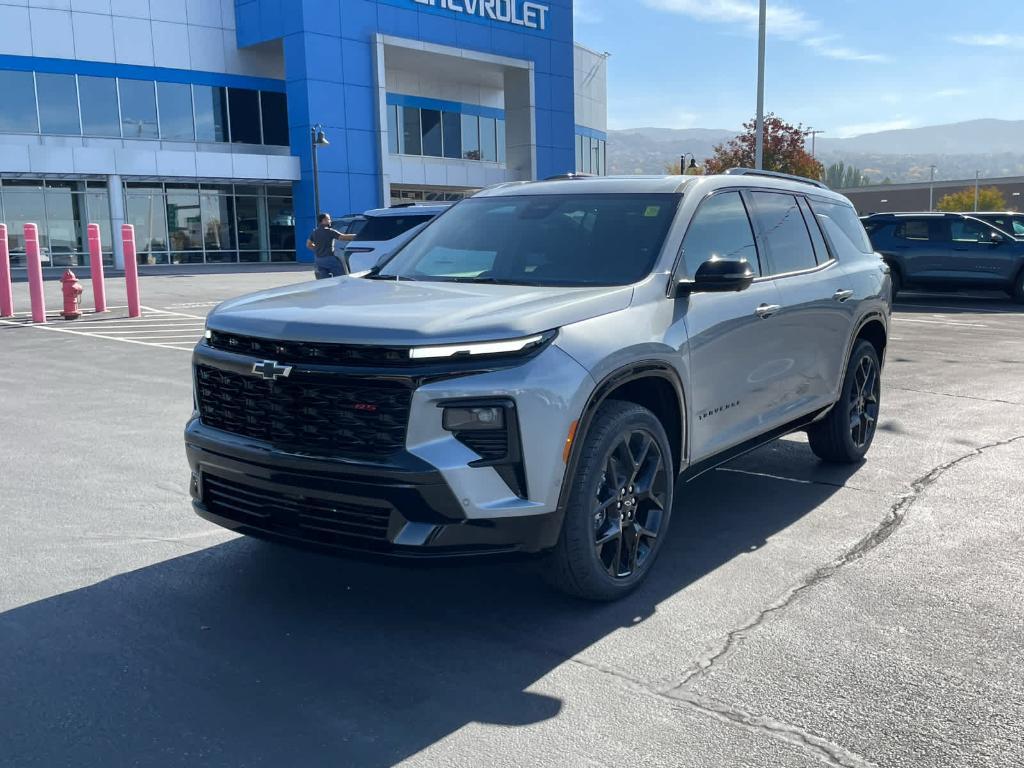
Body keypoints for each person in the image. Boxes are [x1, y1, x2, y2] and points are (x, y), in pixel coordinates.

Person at [306, 213, 356, 279]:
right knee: (341, 279)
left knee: (325, 281)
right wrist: (358, 236)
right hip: (329, 259)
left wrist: (318, 249)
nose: (330, 221)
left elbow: (308, 245)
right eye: (329, 219)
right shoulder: (329, 231)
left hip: (318, 260)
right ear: (323, 220)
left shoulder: (314, 232)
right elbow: (343, 237)